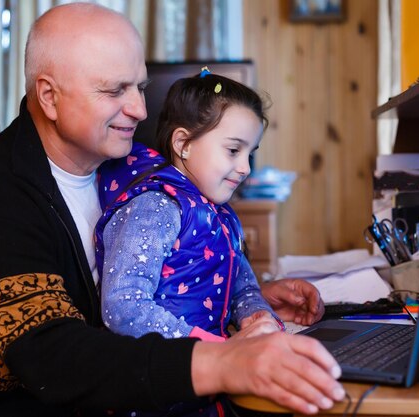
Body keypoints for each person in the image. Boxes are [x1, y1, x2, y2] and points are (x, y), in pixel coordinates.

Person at [0, 3, 345, 417]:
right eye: (115, 90)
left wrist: (228, 296)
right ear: (50, 97)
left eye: (140, 87)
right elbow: (58, 359)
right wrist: (224, 361)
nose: (138, 109)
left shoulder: (131, 167)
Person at [94, 69, 290, 416]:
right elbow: (124, 305)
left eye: (250, 153)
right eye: (233, 150)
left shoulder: (221, 215)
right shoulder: (155, 207)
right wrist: (216, 351)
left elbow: (242, 289)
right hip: (158, 392)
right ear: (182, 144)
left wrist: (259, 319)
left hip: (210, 384)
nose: (244, 168)